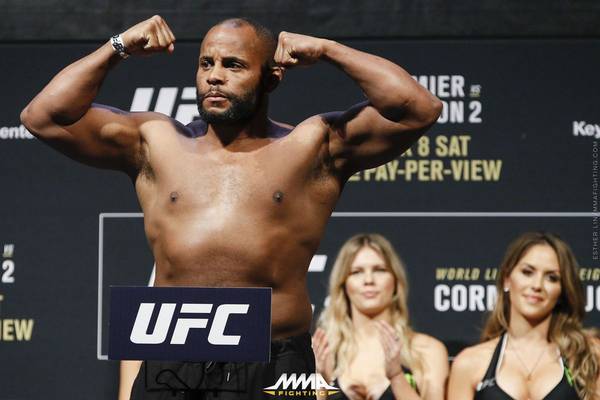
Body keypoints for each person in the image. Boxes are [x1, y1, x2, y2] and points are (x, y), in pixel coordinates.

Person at [20, 15, 442, 400]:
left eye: (233, 65)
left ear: (272, 78)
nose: (214, 77)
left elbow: (419, 108)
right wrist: (119, 47)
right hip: (172, 359)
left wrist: (328, 49)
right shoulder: (155, 142)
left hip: (276, 362)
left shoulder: (311, 146)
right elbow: (43, 116)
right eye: (206, 64)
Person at [448, 232, 600, 400]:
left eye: (551, 278)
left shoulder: (588, 355)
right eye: (527, 272)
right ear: (507, 279)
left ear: (562, 291)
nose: (537, 285)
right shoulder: (469, 364)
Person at [313, 233, 448, 399]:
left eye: (379, 270)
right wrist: (322, 383)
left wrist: (397, 377)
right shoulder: (322, 352)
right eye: (356, 272)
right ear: (343, 284)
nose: (369, 280)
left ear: (395, 281)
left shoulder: (426, 351)